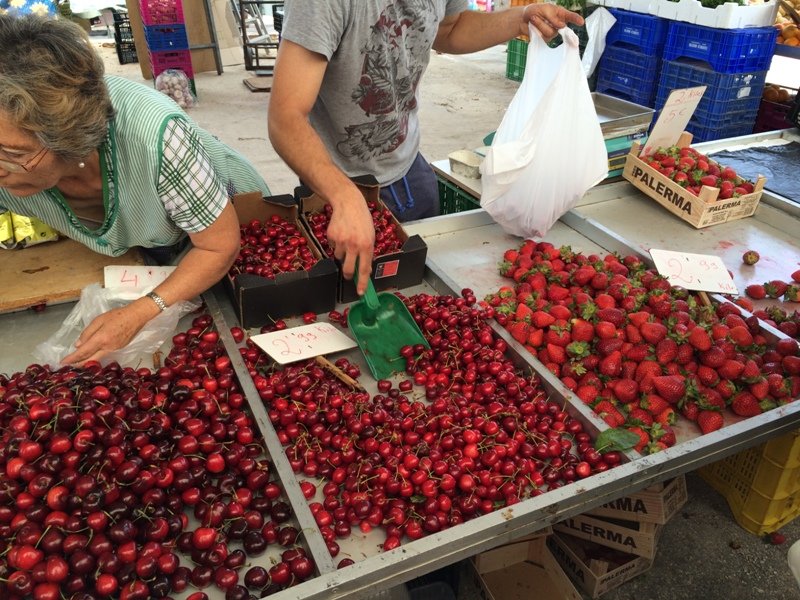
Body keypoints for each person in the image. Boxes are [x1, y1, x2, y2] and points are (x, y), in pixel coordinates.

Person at [0, 14, 270, 365]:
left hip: (230, 223)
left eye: (13, 154)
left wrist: (141, 311)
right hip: (154, 242)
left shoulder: (152, 135)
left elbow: (218, 246)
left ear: (67, 139)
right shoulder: (20, 166)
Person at [268, 1, 583, 294]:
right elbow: (286, 117)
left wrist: (519, 17)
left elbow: (450, 28)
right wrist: (343, 196)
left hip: (410, 168)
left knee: (421, 290)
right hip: (338, 181)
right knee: (348, 297)